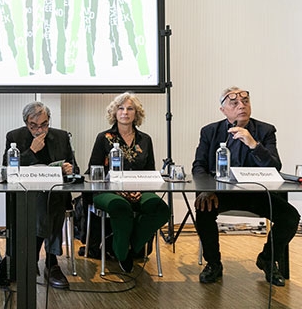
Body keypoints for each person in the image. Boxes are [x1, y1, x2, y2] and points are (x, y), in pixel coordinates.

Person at [193, 87, 300, 286]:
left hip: (256, 193)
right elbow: (199, 166)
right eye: (234, 103)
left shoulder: (265, 130)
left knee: (290, 217)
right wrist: (207, 190)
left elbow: (274, 167)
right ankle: (213, 264)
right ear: (223, 110)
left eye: (245, 101)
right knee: (203, 209)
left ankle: (267, 259)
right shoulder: (210, 131)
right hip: (221, 193)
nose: (241, 106)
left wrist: (253, 144)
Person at [86, 92, 169, 273]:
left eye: (130, 108)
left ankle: (130, 245)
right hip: (107, 191)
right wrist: (117, 190)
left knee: (160, 209)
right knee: (120, 206)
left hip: (140, 190)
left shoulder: (145, 140)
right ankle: (122, 254)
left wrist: (140, 189)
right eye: (121, 108)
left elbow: (150, 171)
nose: (125, 112)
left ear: (136, 113)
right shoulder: (104, 138)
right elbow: (93, 171)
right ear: (114, 112)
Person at [3, 101, 78, 289]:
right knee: (43, 202)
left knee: (50, 199)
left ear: (49, 121)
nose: (39, 130)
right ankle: (51, 262)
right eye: (34, 126)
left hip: (56, 193)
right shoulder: (15, 137)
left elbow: (75, 169)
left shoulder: (61, 136)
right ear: (26, 123)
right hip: (25, 195)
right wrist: (31, 151)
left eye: (44, 125)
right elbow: (7, 169)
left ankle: (33, 257)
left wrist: (69, 169)